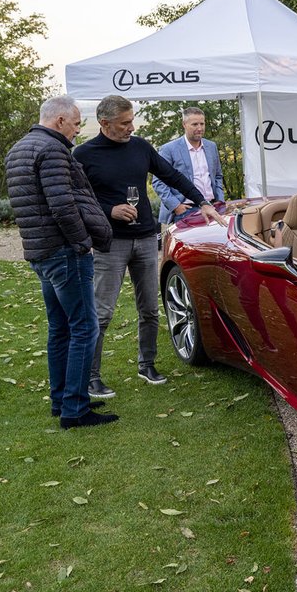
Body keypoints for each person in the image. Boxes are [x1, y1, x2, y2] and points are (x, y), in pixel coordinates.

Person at [75, 95, 226, 399]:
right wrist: (110, 210)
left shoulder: (141, 147)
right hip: (111, 241)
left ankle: (147, 364)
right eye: (124, 123)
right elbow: (77, 197)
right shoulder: (84, 154)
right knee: (102, 312)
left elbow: (172, 176)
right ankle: (91, 377)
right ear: (104, 124)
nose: (131, 127)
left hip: (145, 237)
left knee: (150, 308)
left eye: (132, 120)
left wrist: (202, 202)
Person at [5, 95, 119, 429]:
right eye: (76, 124)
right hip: (65, 253)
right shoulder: (53, 150)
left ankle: (63, 400)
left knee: (60, 328)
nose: (77, 130)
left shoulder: (19, 149)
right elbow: (62, 206)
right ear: (59, 122)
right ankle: (75, 409)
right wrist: (83, 243)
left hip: (40, 252)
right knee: (85, 327)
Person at [153, 106, 225, 223]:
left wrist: (220, 201)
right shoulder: (169, 149)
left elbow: (217, 176)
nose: (200, 128)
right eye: (195, 124)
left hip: (212, 208)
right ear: (184, 124)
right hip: (185, 211)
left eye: (202, 124)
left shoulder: (211, 146)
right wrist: (176, 206)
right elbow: (158, 182)